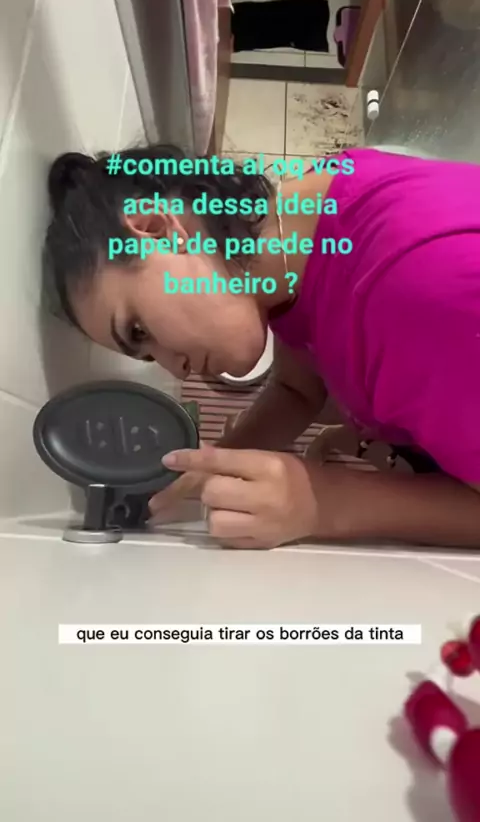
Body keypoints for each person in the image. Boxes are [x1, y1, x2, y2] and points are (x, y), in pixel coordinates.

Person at [43, 145, 480, 550]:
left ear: (158, 229)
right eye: (146, 354)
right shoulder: (309, 228)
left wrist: (325, 502)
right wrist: (211, 463)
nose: (175, 369)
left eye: (139, 330)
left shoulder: (415, 287)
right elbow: (299, 390)